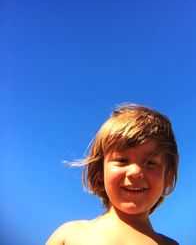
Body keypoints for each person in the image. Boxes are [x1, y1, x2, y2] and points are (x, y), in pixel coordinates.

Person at [46, 103, 179, 245]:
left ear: (168, 178)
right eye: (122, 160)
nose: (135, 172)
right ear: (100, 172)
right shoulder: (70, 235)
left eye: (151, 163)